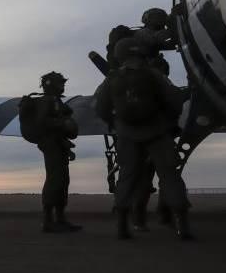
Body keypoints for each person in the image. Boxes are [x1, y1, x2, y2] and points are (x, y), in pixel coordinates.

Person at [94, 38, 192, 240]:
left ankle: (122, 225)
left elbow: (100, 107)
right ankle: (182, 224)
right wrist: (168, 121)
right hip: (157, 132)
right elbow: (174, 100)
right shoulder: (154, 75)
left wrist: (116, 123)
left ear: (119, 55)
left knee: (127, 176)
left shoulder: (112, 78)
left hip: (127, 134)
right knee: (169, 175)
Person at [32, 72, 81, 233]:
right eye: (60, 83)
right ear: (51, 85)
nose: (63, 85)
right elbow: (42, 121)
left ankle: (60, 218)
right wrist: (63, 123)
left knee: (62, 180)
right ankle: (48, 220)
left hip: (59, 144)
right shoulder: (47, 101)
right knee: (54, 179)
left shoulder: (55, 101)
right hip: (51, 145)